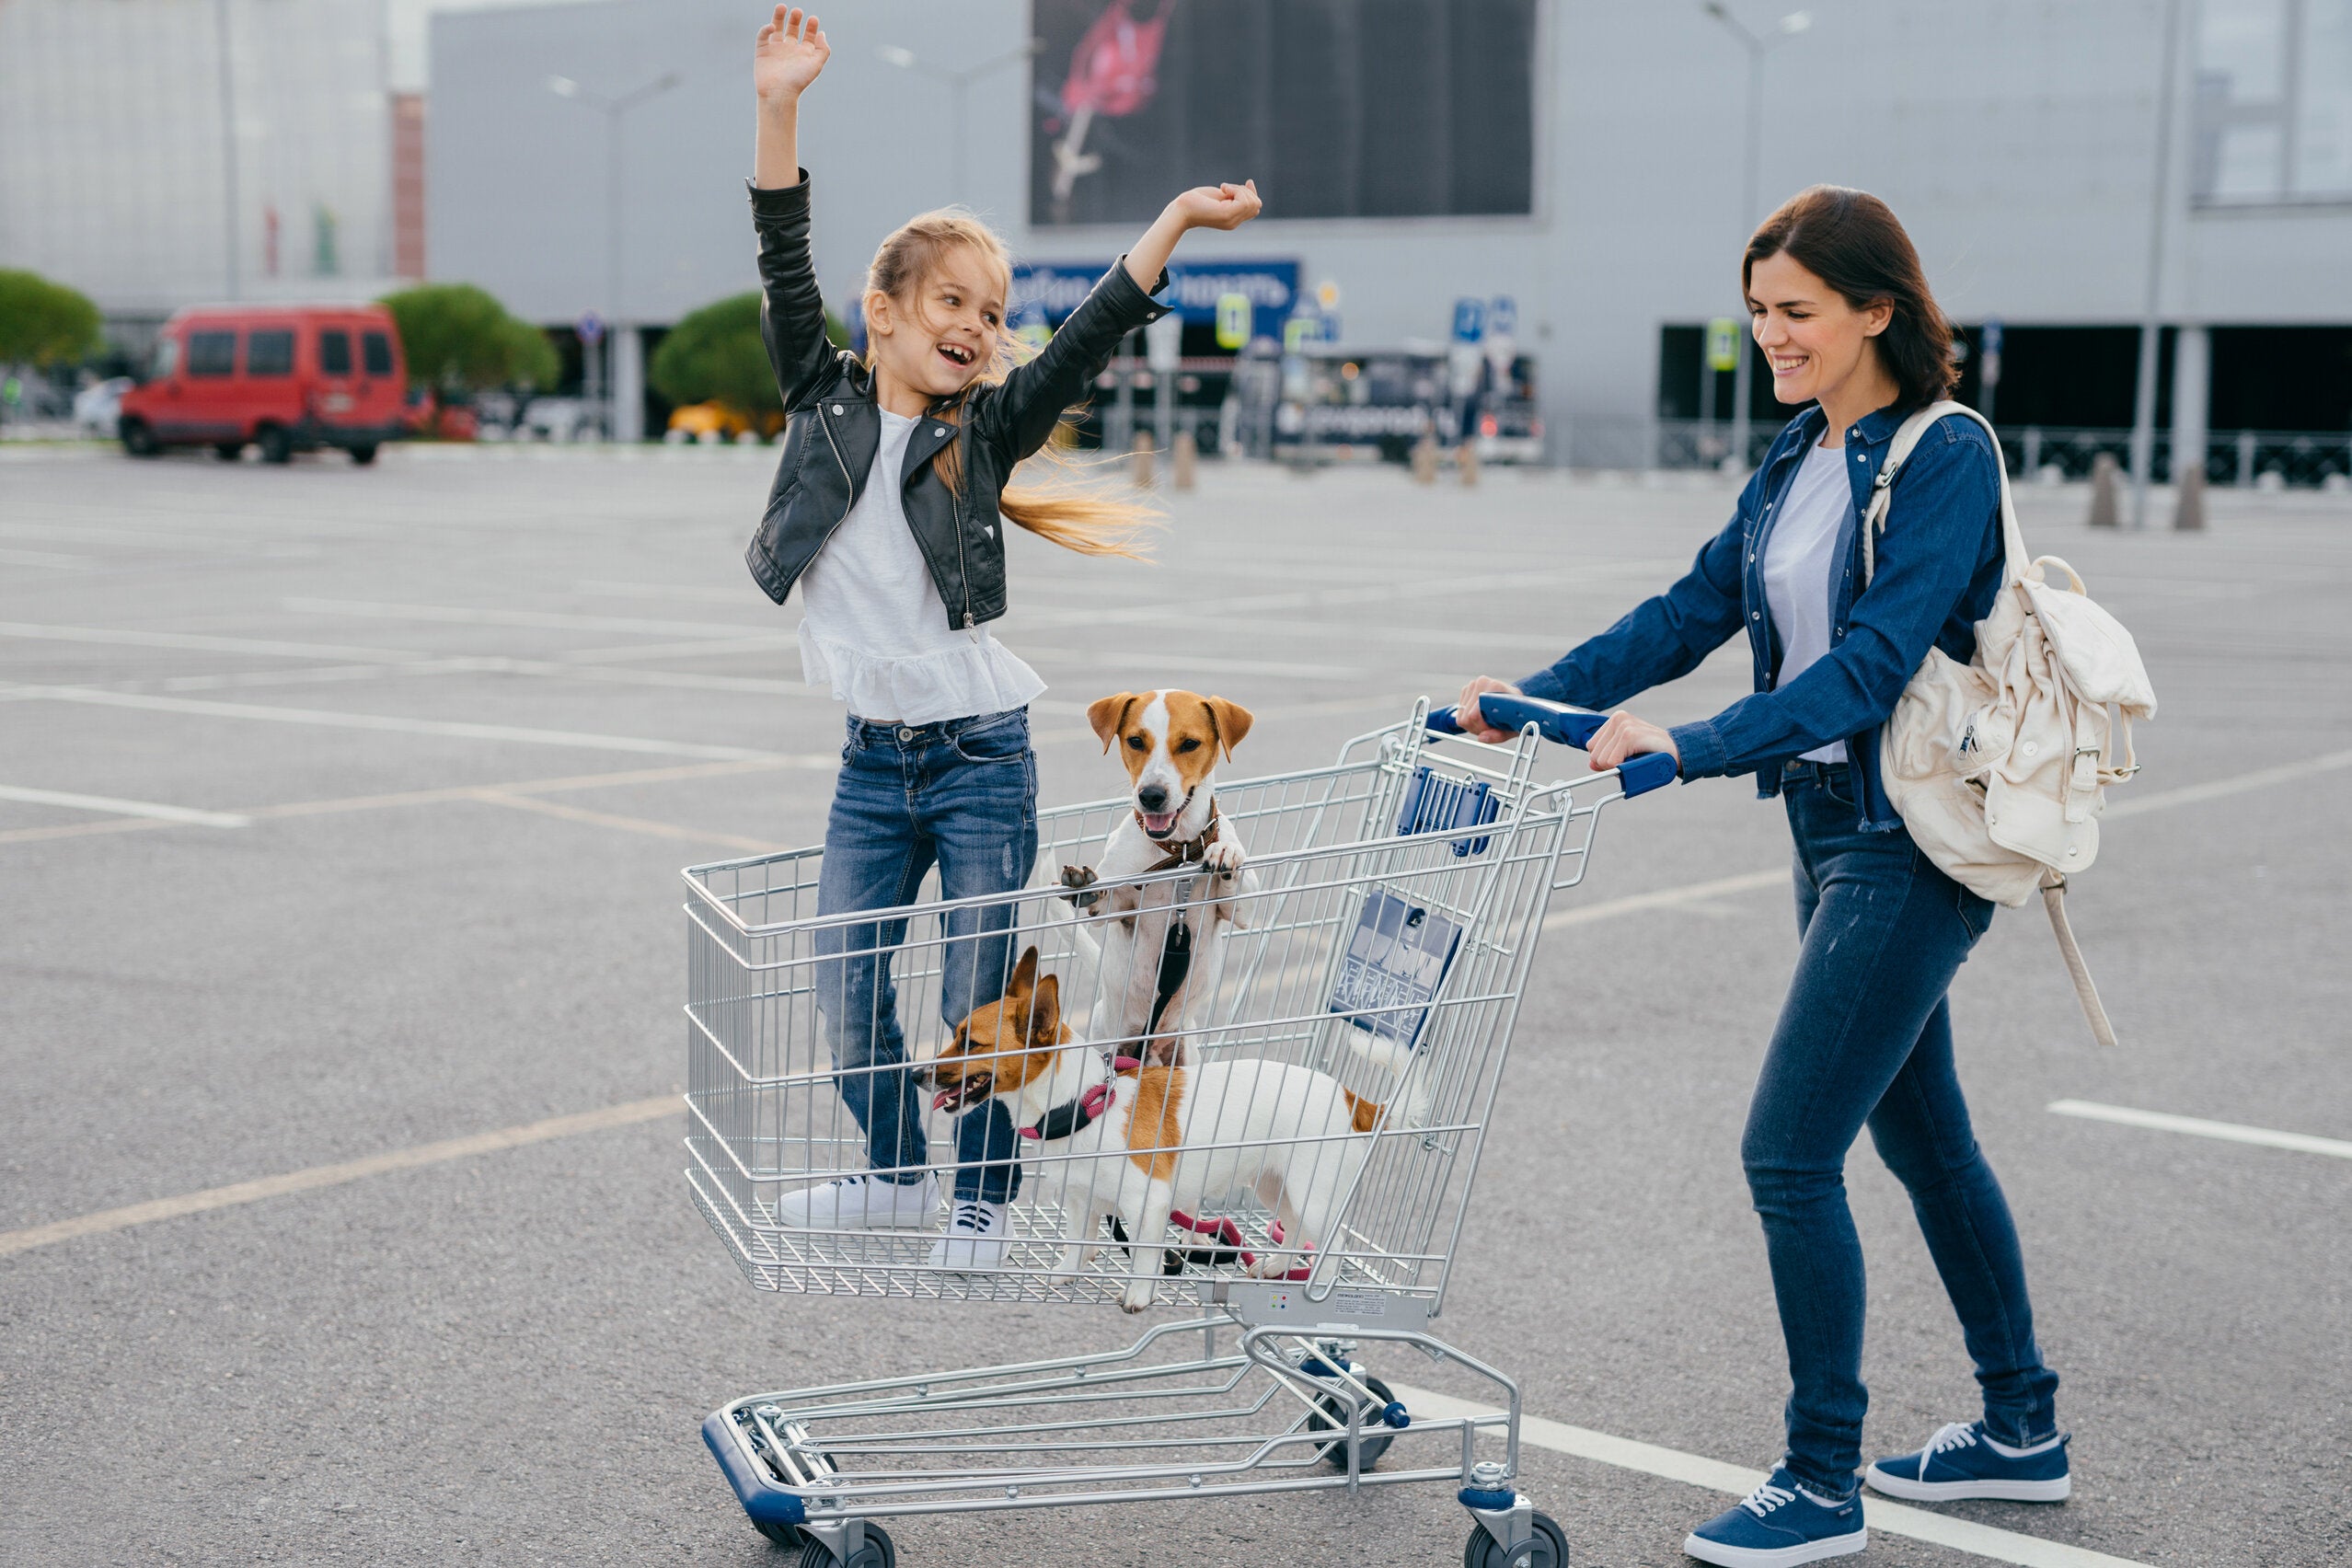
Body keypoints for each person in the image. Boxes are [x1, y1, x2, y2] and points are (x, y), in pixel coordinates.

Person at [1455, 186, 2066, 1568]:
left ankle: (1821, 1478)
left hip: (1910, 838)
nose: (1770, 336)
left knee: (1789, 1155)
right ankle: (2022, 1429)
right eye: (1758, 314)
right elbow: (1690, 611)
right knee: (1921, 1137)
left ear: (1876, 312)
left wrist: (1697, 747)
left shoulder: (1943, 452)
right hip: (1827, 827)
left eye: (1795, 312)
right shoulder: (1798, 456)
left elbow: (1871, 665)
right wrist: (1527, 701)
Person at [744, 8, 1260, 1271]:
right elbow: (779, 254)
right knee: (844, 982)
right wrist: (780, 107)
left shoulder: (985, 433)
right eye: (951, 304)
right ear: (884, 311)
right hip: (875, 763)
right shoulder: (821, 399)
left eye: (990, 309)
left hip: (979, 760)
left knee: (977, 990)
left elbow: (1088, 333)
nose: (977, 325)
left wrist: (1177, 222)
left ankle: (979, 1198)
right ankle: (896, 1176)